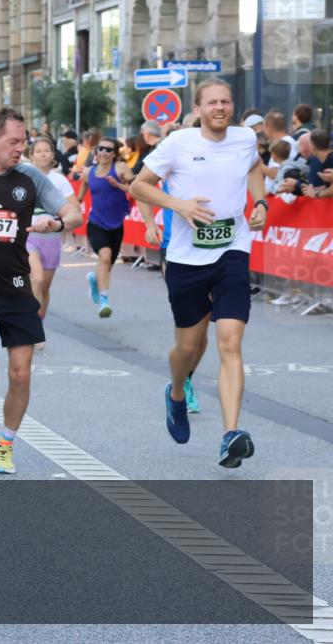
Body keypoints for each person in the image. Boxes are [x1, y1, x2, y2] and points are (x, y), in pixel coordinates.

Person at [130, 78, 267, 468]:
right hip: (188, 260)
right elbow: (139, 186)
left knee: (229, 341)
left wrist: (260, 203)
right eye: (212, 102)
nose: (219, 107)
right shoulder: (178, 144)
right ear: (198, 109)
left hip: (233, 251)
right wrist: (180, 205)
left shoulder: (243, 139)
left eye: (225, 101)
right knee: (189, 347)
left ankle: (230, 435)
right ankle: (176, 392)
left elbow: (255, 168)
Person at [0, 108, 82, 475]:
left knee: (20, 374)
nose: (20, 148)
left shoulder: (31, 178)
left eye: (23, 141)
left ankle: (5, 445)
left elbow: (75, 213)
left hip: (18, 290)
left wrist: (55, 221)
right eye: (13, 141)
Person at [25, 135, 77, 344]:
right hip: (29, 236)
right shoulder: (24, 177)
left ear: (52, 155)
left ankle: (40, 319)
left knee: (44, 287)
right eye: (39, 151)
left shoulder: (59, 180)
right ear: (31, 155)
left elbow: (75, 208)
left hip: (52, 237)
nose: (43, 154)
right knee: (36, 279)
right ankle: (33, 329)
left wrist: (59, 218)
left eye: (47, 151)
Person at [76, 137, 135, 318]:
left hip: (116, 225)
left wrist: (118, 185)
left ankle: (95, 280)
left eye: (108, 150)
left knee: (106, 266)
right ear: (96, 151)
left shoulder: (120, 169)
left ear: (114, 154)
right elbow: (83, 185)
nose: (103, 152)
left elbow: (137, 189)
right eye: (100, 149)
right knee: (105, 256)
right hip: (96, 223)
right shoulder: (88, 171)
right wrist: (76, 203)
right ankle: (104, 301)